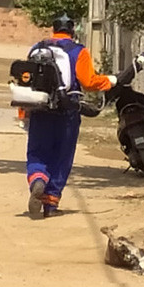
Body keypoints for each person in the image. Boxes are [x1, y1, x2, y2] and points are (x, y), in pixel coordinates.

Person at [25, 14, 118, 218]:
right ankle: (50, 203)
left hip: (40, 111)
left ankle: (38, 180)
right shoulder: (78, 51)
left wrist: (24, 112)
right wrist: (109, 81)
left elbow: (27, 82)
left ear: (53, 29)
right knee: (62, 156)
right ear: (72, 30)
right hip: (67, 112)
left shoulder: (37, 48)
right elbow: (88, 81)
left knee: (37, 152)